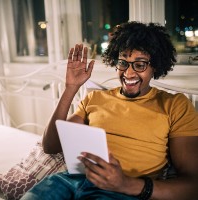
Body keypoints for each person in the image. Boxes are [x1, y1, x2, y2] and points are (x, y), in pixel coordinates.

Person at [21, 21, 198, 200]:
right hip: (68, 181)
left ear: (156, 66)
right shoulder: (94, 98)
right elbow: (50, 146)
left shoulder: (175, 105)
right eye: (123, 63)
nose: (128, 73)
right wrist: (70, 88)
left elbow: (193, 186)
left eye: (140, 64)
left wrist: (125, 184)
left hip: (119, 192)